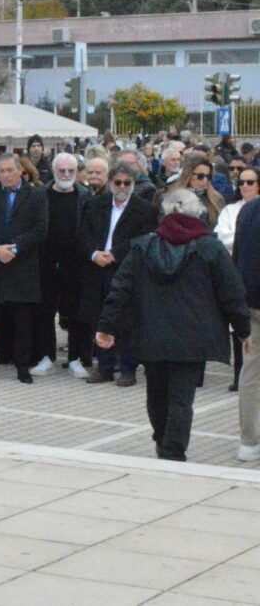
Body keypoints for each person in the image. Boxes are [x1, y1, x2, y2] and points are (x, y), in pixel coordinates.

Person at [97, 189, 250, 461]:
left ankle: (162, 439)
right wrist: (242, 330)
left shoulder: (143, 246)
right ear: (197, 213)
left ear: (165, 212)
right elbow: (232, 292)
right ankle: (173, 450)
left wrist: (106, 326)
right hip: (193, 336)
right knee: (181, 398)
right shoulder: (211, 248)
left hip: (151, 332)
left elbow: (120, 288)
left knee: (156, 393)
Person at [79, 162, 158, 386]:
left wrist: (115, 254)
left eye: (127, 183)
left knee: (127, 319)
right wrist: (95, 254)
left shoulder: (145, 209)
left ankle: (127, 368)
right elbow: (83, 234)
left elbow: (144, 239)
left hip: (126, 269)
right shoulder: (95, 204)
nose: (122, 187)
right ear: (110, 182)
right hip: (98, 267)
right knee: (100, 317)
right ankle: (104, 367)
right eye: (118, 182)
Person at [0, 153, 48, 383]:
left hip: (22, 264)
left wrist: (15, 248)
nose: (6, 175)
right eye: (1, 171)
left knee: (22, 320)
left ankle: (22, 366)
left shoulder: (37, 196)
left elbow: (41, 229)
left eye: (9, 170)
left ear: (20, 170)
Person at [31, 153, 94, 379]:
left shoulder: (85, 197)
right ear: (54, 171)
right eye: (62, 171)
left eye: (71, 171)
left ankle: (75, 358)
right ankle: (46, 356)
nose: (66, 175)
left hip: (76, 264)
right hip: (46, 262)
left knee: (75, 313)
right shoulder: (41, 195)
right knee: (45, 312)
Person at [216, 167, 259, 392]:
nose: (244, 186)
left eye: (250, 182)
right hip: (248, 291)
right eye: (242, 182)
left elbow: (236, 247)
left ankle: (249, 410)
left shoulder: (247, 210)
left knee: (252, 363)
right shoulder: (237, 209)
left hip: (249, 291)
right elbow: (225, 240)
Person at [234, 189, 260, 461]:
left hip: (251, 300)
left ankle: (249, 441)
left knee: (251, 370)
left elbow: (237, 257)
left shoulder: (248, 209)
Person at [172, 156, 223, 227]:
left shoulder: (216, 199)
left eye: (208, 176)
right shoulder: (173, 199)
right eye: (200, 176)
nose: (205, 180)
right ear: (189, 175)